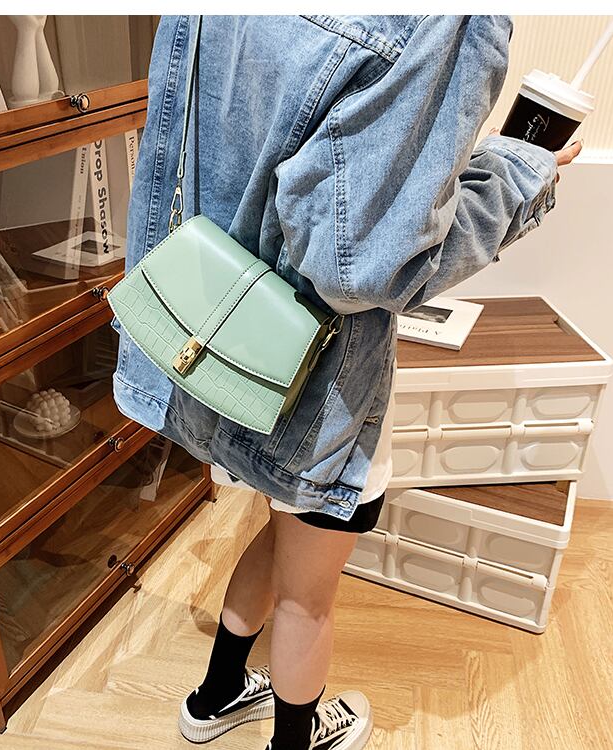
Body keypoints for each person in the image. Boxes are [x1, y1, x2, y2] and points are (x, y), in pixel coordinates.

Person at [111, 15, 582, 750]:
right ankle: (294, 741)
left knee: (284, 529)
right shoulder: (444, 20)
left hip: (225, 331)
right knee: (310, 597)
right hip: (318, 378)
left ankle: (216, 695)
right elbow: (362, 267)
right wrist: (520, 172)